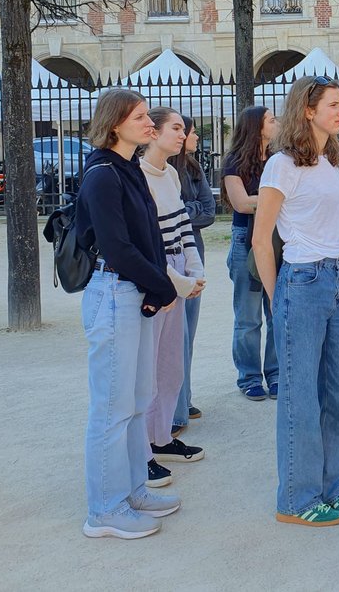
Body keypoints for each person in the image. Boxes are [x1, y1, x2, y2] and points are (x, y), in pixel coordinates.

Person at [253, 76, 339, 527]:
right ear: (308, 111)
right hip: (304, 279)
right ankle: (296, 498)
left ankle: (334, 487)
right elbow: (261, 240)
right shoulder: (281, 165)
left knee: (337, 392)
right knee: (300, 396)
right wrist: (282, 298)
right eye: (333, 105)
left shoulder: (331, 160)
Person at [76, 89, 181, 539]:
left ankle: (134, 488)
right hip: (114, 293)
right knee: (113, 408)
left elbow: (149, 238)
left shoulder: (129, 169)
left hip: (134, 292)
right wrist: (160, 285)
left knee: (137, 401)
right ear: (115, 123)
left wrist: (158, 285)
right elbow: (116, 247)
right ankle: (104, 509)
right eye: (140, 117)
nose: (149, 123)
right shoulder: (102, 174)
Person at [140, 107, 207, 482]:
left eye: (184, 129)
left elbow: (183, 227)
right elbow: (149, 242)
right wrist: (178, 281)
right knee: (148, 367)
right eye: (176, 128)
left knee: (171, 363)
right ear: (155, 132)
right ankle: (143, 448)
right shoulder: (138, 177)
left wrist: (195, 271)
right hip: (157, 276)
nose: (183, 134)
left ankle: (162, 437)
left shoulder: (169, 175)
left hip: (179, 271)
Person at [223, 105, 280, 401]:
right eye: (271, 120)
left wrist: (264, 200)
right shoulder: (234, 161)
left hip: (274, 238)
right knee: (247, 317)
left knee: (276, 312)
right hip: (245, 235)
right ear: (257, 126)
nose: (276, 123)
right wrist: (274, 198)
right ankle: (249, 377)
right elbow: (241, 203)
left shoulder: (277, 159)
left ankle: (276, 374)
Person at [169, 116, 216, 434]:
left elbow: (210, 210)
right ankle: (173, 409)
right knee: (173, 336)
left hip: (192, 255)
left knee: (188, 333)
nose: (195, 136)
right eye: (190, 131)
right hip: (170, 259)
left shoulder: (193, 169)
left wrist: (181, 211)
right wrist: (188, 211)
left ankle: (183, 400)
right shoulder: (159, 171)